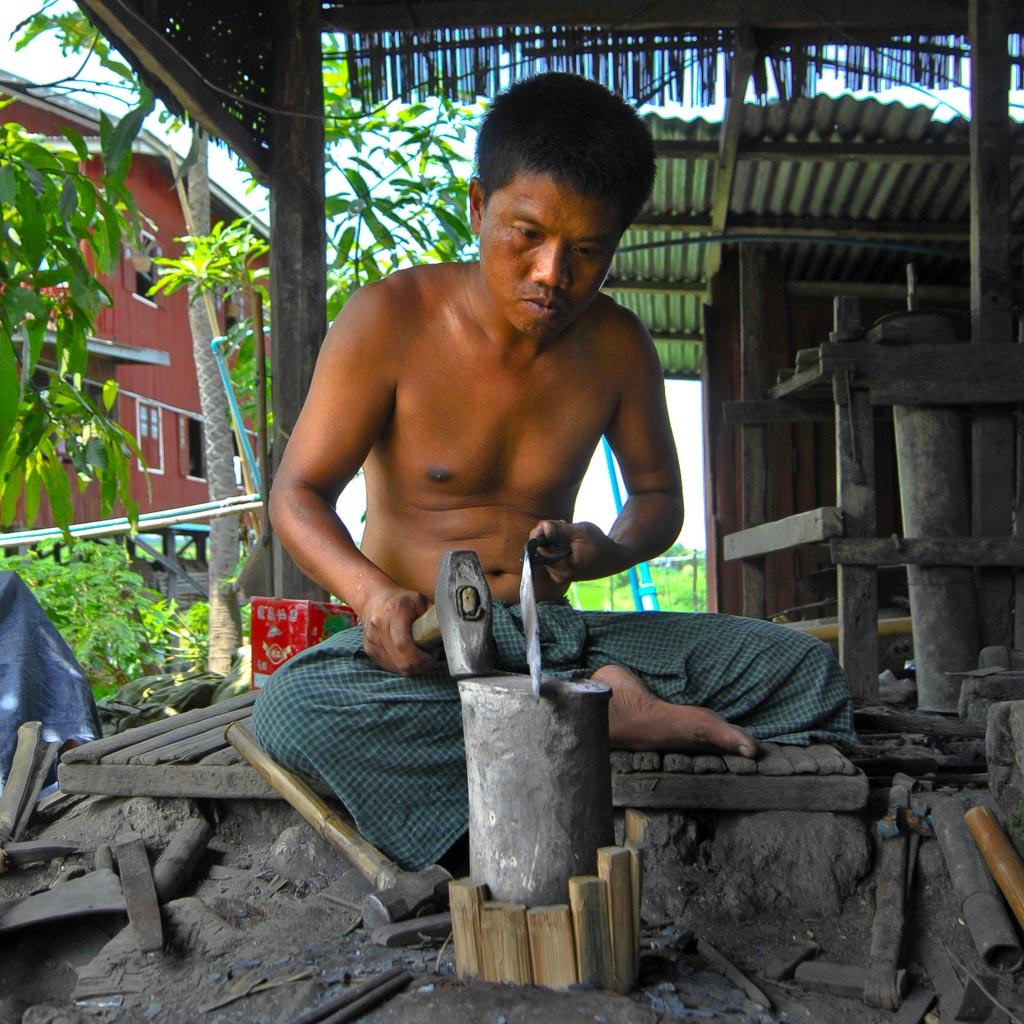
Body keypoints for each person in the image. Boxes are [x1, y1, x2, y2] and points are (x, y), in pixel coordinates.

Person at [252, 73, 854, 870]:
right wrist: (371, 596)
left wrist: (601, 550)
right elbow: (295, 497)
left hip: (556, 634)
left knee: (803, 669)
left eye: (588, 250)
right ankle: (597, 713)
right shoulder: (389, 319)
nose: (552, 272)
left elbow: (658, 501)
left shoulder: (617, 346)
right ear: (477, 206)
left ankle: (587, 704)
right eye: (526, 233)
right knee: (297, 710)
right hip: (430, 658)